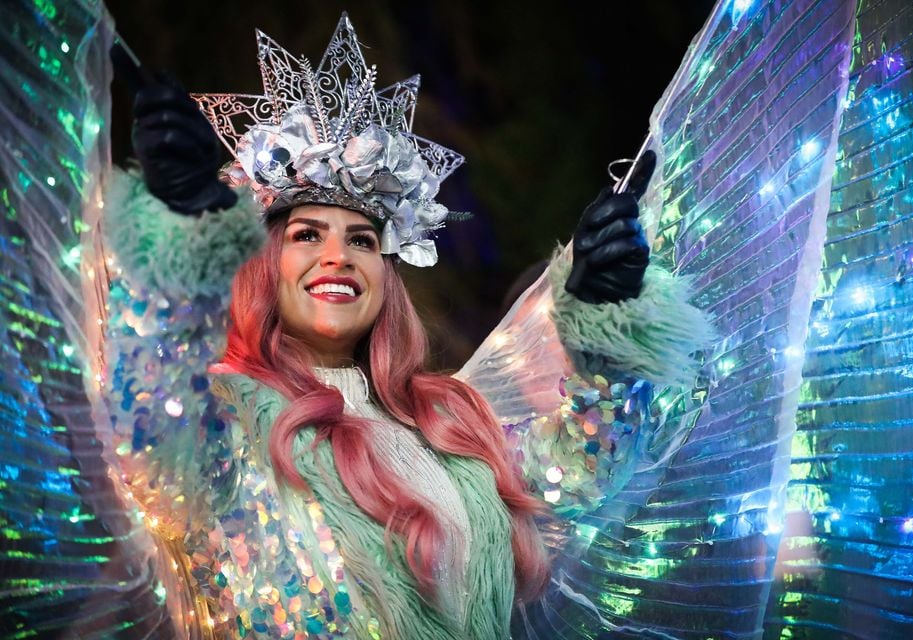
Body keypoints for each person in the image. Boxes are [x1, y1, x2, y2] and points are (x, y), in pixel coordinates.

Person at [102, 14, 711, 639]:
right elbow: (150, 409)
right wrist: (181, 232)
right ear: (264, 265)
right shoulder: (222, 420)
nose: (338, 256)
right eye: (307, 234)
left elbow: (578, 474)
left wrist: (606, 329)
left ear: (385, 276)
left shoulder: (450, 418)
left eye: (362, 239)